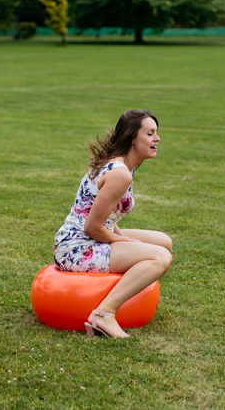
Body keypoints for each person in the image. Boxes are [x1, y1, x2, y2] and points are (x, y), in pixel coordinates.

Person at [53, 109, 172, 338]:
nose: (157, 139)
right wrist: (125, 241)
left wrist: (126, 241)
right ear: (132, 138)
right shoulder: (120, 174)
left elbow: (106, 217)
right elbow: (92, 227)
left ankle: (119, 294)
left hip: (84, 237)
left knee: (163, 242)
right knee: (161, 257)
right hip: (76, 248)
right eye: (150, 133)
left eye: (156, 133)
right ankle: (104, 314)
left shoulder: (122, 167)